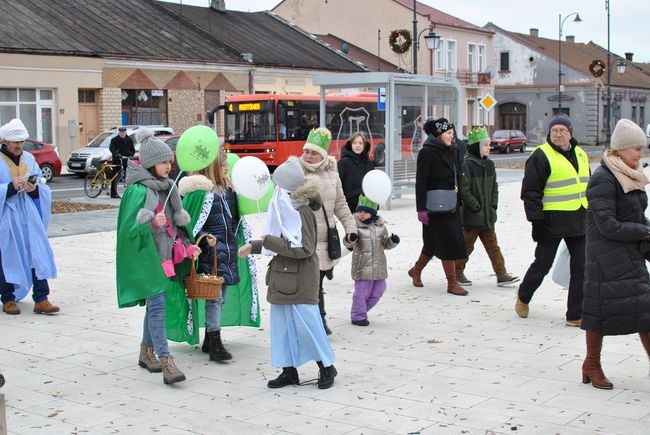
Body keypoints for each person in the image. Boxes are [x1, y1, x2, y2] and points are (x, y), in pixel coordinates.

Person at [238, 157, 337, 389]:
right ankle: (288, 370)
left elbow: (304, 249)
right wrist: (254, 246)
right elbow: (278, 240)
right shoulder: (284, 208)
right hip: (282, 278)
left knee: (308, 326)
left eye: (279, 186)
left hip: (301, 280)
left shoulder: (301, 211)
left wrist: (269, 241)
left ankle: (326, 367)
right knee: (282, 329)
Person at [115, 128, 199, 385]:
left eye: (169, 161)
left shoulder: (167, 188)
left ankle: (145, 351)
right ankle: (166, 360)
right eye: (163, 162)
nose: (168, 165)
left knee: (156, 306)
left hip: (166, 259)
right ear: (151, 164)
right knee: (159, 307)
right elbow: (129, 232)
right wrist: (152, 222)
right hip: (148, 261)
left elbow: (176, 226)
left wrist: (187, 246)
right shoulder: (138, 192)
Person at [581, 119, 650, 389]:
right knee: (598, 312)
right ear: (620, 150)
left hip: (627, 252)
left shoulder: (629, 173)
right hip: (606, 257)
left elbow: (637, 216)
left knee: (645, 310)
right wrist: (644, 233)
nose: (640, 155)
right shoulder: (603, 179)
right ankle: (592, 364)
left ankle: (591, 364)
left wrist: (646, 232)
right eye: (637, 150)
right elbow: (608, 225)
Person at [515, 113, 589, 327]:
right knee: (543, 264)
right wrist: (536, 223)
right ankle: (523, 296)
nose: (558, 134)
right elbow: (530, 193)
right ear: (549, 133)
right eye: (554, 130)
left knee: (581, 267)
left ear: (570, 133)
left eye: (562, 130)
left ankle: (575, 314)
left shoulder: (581, 154)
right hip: (551, 222)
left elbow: (588, 186)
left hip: (578, 219)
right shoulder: (540, 156)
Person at [179, 149, 241, 362]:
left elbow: (234, 219)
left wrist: (236, 234)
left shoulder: (228, 190)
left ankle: (209, 338)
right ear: (214, 167)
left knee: (220, 298)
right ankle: (215, 341)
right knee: (214, 298)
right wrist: (205, 237)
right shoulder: (201, 193)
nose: (227, 170)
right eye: (224, 166)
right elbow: (191, 224)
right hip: (210, 253)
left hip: (226, 252)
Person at [298, 127, 357, 335]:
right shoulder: (295, 171)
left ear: (323, 155)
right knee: (311, 283)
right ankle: (318, 321)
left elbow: (340, 203)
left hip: (325, 238)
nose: (309, 156)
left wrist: (350, 227)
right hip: (304, 237)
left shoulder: (332, 173)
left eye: (314, 153)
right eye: (307, 151)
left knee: (317, 281)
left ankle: (316, 320)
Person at [0, 118, 59, 315]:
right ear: (5, 141)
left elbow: (41, 185)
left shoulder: (29, 158)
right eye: (15, 142)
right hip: (7, 215)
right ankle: (7, 298)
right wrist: (10, 187)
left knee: (37, 251)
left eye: (21, 141)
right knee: (6, 254)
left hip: (28, 214)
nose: (18, 146)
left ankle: (41, 298)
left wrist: (33, 189)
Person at [407, 118, 468, 296]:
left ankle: (416, 270)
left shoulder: (452, 150)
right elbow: (421, 182)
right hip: (434, 206)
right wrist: (421, 209)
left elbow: (460, 166)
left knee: (433, 242)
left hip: (451, 203)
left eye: (452, 133)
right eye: (449, 133)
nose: (452, 136)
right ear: (439, 135)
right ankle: (452, 283)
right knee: (448, 243)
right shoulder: (427, 153)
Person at [456, 126, 519, 287]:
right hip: (473, 216)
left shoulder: (490, 164)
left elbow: (494, 187)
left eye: (489, 145)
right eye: (485, 145)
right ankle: (457, 271)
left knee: (493, 246)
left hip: (487, 215)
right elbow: (464, 189)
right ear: (476, 147)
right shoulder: (467, 165)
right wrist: (475, 206)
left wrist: (493, 205)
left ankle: (501, 274)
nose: (488, 148)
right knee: (467, 246)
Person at [343, 195, 399, 326]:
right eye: (359, 211)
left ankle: (361, 310)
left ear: (373, 213)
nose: (361, 214)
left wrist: (393, 241)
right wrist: (350, 239)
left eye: (365, 212)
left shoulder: (381, 227)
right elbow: (347, 242)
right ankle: (357, 316)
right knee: (362, 293)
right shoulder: (354, 226)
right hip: (362, 267)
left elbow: (385, 244)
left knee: (380, 289)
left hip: (379, 266)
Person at [337, 131, 375, 213]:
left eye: (361, 143)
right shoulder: (343, 162)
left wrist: (375, 205)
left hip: (367, 206)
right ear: (350, 145)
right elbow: (338, 186)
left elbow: (373, 186)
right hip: (350, 206)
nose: (357, 145)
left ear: (365, 146)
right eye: (354, 143)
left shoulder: (369, 163)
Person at [109, 127, 135, 199]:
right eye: (121, 132)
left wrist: (131, 154)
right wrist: (116, 154)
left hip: (126, 160)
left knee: (128, 176)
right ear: (119, 132)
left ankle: (129, 193)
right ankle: (113, 193)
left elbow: (132, 150)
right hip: (117, 160)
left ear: (126, 132)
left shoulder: (129, 140)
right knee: (115, 176)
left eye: (124, 132)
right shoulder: (114, 140)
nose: (122, 133)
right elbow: (112, 148)